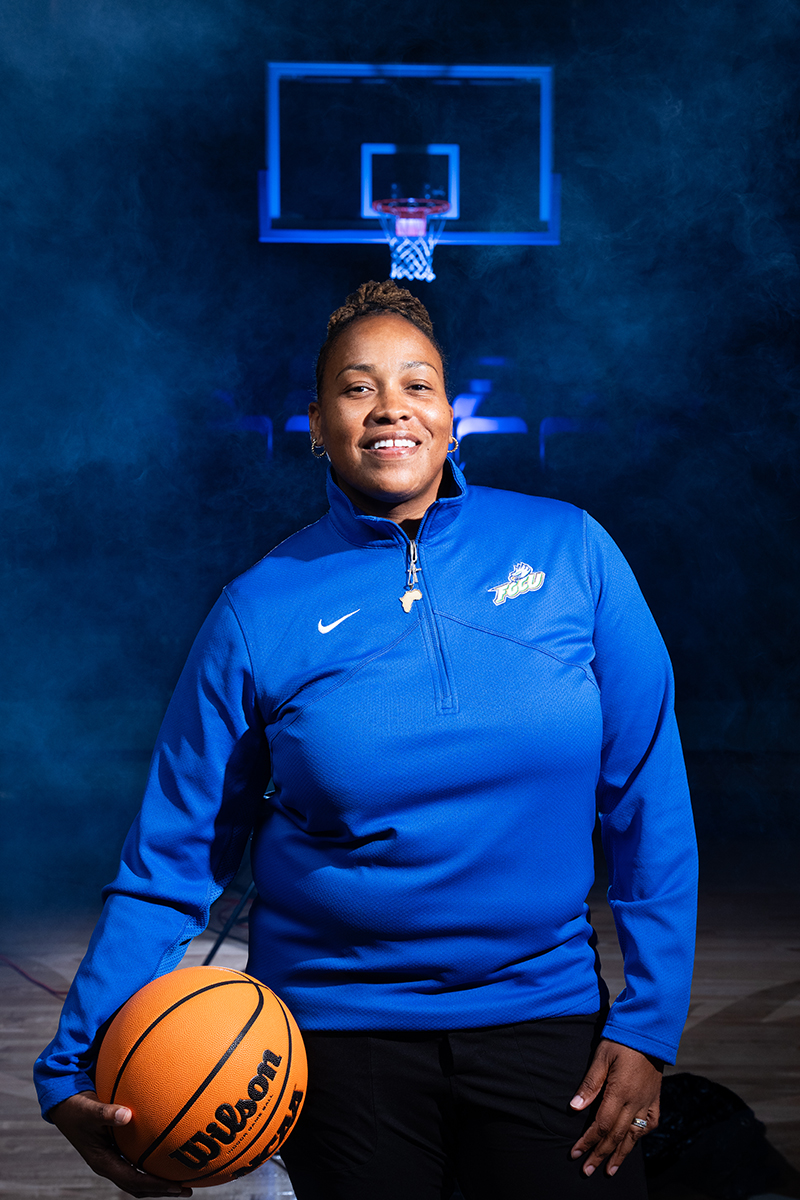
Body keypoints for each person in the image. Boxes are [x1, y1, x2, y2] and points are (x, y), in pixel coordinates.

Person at [35, 280, 698, 1200]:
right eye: (358, 387)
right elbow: (171, 862)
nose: (392, 406)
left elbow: (646, 796)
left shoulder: (571, 551)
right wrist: (71, 1068)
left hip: (542, 1016)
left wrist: (649, 1025)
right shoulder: (257, 609)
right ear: (316, 422)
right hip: (337, 1038)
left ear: (449, 410)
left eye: (417, 383)